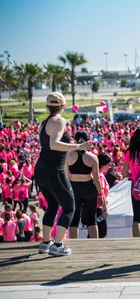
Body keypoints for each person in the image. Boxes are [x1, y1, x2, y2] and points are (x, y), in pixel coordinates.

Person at [35, 92, 93, 256]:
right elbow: (54, 144)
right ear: (63, 106)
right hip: (54, 169)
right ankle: (58, 245)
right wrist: (78, 147)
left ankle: (46, 243)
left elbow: (48, 145)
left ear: (48, 106)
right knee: (69, 207)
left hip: (41, 169)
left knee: (52, 206)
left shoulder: (44, 122)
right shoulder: (59, 121)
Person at [67, 131, 104, 239]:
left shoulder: (68, 156)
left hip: (73, 187)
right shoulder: (92, 157)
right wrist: (100, 194)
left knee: (74, 220)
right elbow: (97, 179)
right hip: (88, 187)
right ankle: (95, 245)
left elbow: (65, 176)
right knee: (92, 219)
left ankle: (74, 244)